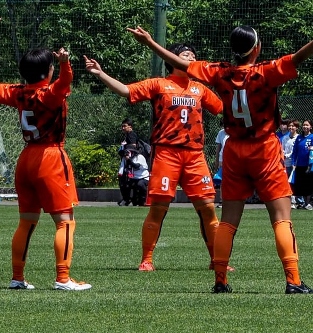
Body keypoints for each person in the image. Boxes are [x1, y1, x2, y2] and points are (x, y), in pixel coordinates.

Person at [131, 20, 313, 294]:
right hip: (264, 149)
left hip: (234, 150)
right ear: (256, 48)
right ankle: (293, 280)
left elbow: (181, 65)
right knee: (281, 217)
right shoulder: (266, 72)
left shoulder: (220, 72)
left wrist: (150, 43)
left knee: (229, 219)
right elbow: (299, 58)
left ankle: (220, 280)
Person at [0, 47, 90, 291]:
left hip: (26, 159)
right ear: (48, 71)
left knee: (26, 222)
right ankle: (63, 278)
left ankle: (17, 278)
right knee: (65, 222)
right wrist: (65, 63)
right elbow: (65, 82)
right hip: (51, 157)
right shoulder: (50, 93)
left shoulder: (18, 92)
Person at [86, 48, 224, 272]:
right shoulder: (158, 84)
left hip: (195, 155)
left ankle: (217, 260)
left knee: (208, 208)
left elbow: (222, 108)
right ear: (173, 59)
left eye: (193, 55)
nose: (192, 58)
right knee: (158, 208)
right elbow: (125, 90)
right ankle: (146, 260)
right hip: (166, 154)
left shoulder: (200, 88)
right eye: (187, 54)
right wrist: (100, 74)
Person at [290, 119, 313, 208]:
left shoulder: (312, 137)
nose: (305, 127)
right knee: (300, 184)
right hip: (299, 164)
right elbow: (295, 151)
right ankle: (302, 203)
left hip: (308, 165)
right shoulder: (299, 138)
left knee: (308, 184)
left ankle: (309, 203)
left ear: (311, 127)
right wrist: (293, 162)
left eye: (307, 125)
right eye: (304, 125)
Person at [118, 120, 139, 205]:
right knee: (124, 179)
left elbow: (133, 146)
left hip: (130, 161)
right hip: (126, 160)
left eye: (125, 126)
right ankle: (126, 198)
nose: (123, 128)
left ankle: (127, 199)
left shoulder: (131, 134)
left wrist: (124, 148)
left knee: (126, 180)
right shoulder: (127, 135)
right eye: (122, 126)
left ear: (130, 126)